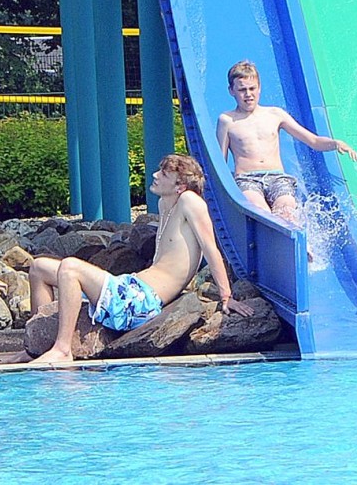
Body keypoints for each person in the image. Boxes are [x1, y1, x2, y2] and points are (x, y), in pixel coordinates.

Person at [13, 154, 254, 364]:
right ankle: (36, 348)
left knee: (69, 268)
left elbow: (211, 249)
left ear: (180, 185)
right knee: (38, 267)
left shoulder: (191, 202)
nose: (155, 174)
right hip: (130, 287)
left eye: (164, 173)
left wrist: (226, 296)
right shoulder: (165, 204)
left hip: (141, 302)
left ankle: (63, 349)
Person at [216, 60, 357, 225]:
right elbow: (221, 161)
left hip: (277, 177)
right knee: (261, 212)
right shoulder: (227, 120)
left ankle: (303, 246)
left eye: (252, 88)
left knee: (287, 209)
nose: (248, 94)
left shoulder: (275, 114)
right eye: (242, 90)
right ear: (231, 91)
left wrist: (335, 143)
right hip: (247, 179)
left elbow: (313, 140)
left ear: (259, 88)